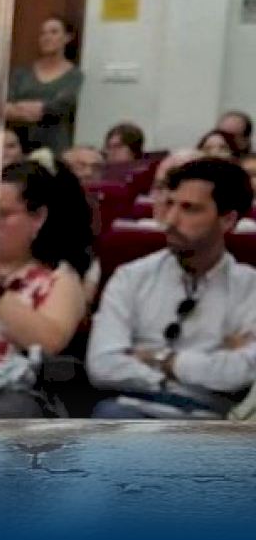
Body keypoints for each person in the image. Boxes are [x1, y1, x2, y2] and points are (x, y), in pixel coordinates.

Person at [88, 158, 256, 419]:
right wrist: (198, 371)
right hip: (132, 408)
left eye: (190, 209)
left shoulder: (249, 287)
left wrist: (162, 360)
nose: (171, 220)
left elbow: (242, 372)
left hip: (211, 421)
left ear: (227, 220)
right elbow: (102, 364)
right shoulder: (131, 277)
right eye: (170, 204)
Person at [0, 159, 91, 418]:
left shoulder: (60, 278)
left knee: (4, 412)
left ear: (38, 218)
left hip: (17, 391)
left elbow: (48, 342)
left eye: (2, 215)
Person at [5, 17, 84, 155]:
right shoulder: (22, 73)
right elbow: (5, 105)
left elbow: (60, 105)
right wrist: (27, 112)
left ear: (67, 38)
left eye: (54, 32)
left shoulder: (74, 75)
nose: (47, 37)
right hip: (18, 146)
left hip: (55, 147)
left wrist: (27, 108)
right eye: (43, 33)